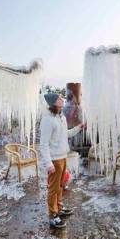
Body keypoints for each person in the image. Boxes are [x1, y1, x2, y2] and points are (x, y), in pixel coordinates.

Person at [39, 93, 83, 229]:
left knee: (60, 187)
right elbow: (43, 144)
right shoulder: (47, 120)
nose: (62, 100)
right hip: (54, 160)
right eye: (59, 99)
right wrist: (48, 163)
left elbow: (66, 134)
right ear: (53, 103)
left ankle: (59, 208)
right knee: (53, 189)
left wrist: (79, 128)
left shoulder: (61, 117)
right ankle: (53, 216)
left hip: (63, 157)